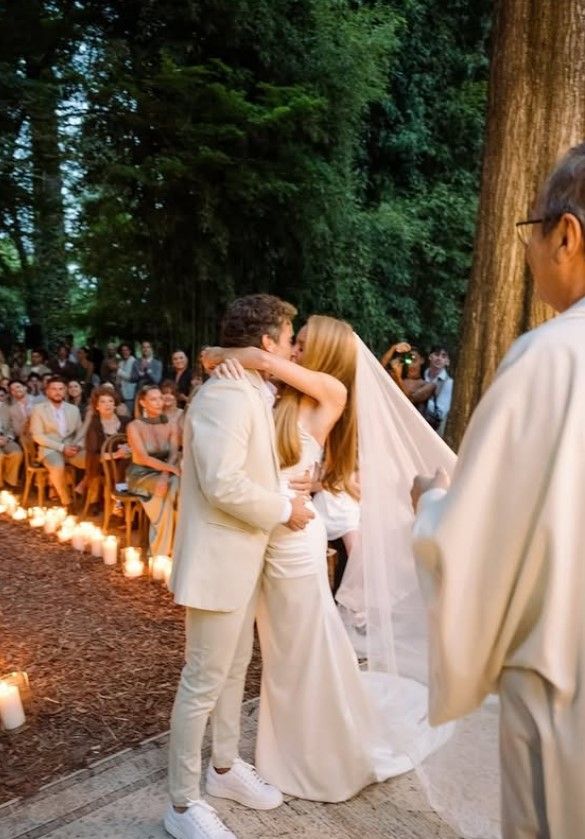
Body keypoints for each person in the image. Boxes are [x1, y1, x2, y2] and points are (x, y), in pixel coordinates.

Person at [202, 315, 455, 809]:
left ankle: (318, 758)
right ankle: (283, 749)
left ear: (322, 350)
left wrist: (225, 357)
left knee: (302, 650)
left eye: (300, 342)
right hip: (267, 533)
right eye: (292, 341)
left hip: (295, 541)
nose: (292, 349)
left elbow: (252, 357)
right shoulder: (282, 394)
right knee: (280, 652)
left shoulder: (331, 389)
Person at [412, 143, 585, 839]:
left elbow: (470, 543)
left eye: (531, 230)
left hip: (562, 684)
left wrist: (428, 499)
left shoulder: (550, 356)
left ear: (566, 235)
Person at [165, 295, 314, 839]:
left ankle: (223, 768)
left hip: (244, 557)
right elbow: (223, 483)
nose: (293, 346)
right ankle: (181, 805)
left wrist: (281, 486)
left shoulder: (248, 387)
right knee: (202, 681)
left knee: (233, 670)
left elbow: (242, 469)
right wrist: (284, 509)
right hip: (217, 561)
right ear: (267, 343)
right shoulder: (227, 394)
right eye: (288, 335)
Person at [126, 385, 181, 557]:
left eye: (160, 398)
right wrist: (170, 469)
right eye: (153, 399)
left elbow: (174, 453)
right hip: (140, 473)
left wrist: (165, 474)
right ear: (142, 402)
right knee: (172, 486)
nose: (159, 402)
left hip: (164, 473)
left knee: (178, 485)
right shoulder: (134, 426)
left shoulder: (171, 424)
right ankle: (161, 551)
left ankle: (173, 545)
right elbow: (143, 458)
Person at [30, 376, 86, 506]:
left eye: (61, 389)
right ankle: (66, 500)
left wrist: (78, 446)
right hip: (50, 448)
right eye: (54, 389)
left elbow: (81, 433)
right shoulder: (38, 409)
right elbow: (37, 436)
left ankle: (86, 494)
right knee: (57, 466)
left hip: (71, 448)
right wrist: (61, 447)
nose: (58, 392)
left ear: (65, 391)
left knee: (93, 461)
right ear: (47, 391)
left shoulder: (73, 409)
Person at [84, 385, 130, 512]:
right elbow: (93, 455)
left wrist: (128, 449)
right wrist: (115, 455)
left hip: (127, 460)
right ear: (97, 406)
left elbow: (135, 442)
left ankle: (123, 502)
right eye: (103, 402)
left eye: (110, 401)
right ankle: (120, 501)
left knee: (126, 465)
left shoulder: (126, 421)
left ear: (115, 405)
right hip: (103, 462)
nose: (107, 404)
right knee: (118, 467)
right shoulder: (95, 425)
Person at [422, 344, 453, 436]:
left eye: (443, 356)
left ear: (447, 362)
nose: (439, 358)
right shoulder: (419, 374)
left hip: (431, 432)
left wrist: (420, 398)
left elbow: (440, 413)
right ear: (430, 357)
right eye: (436, 354)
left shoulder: (448, 383)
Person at [0, 399, 22, 489]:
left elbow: (12, 427)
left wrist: (7, 437)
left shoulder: (6, 408)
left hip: (5, 437)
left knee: (17, 453)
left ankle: (10, 482)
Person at [160, 379, 184, 445]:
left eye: (171, 394)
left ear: (176, 396)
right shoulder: (156, 413)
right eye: (164, 393)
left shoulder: (182, 414)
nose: (168, 396)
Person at [116, 342, 138, 415]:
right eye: (123, 350)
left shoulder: (134, 361)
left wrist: (119, 370)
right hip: (121, 393)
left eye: (127, 350)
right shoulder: (121, 362)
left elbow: (131, 377)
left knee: (129, 415)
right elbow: (118, 379)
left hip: (131, 394)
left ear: (130, 351)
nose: (125, 352)